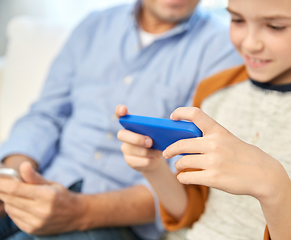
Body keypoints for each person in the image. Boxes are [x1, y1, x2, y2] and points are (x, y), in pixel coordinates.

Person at [0, 0, 243, 239]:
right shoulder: (94, 25)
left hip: (114, 217)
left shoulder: (223, 49)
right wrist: (11, 178)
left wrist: (79, 211)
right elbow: (46, 114)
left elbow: (183, 183)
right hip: (42, 181)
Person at [117, 0, 291, 239]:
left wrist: (274, 187)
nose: (250, 44)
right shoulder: (213, 90)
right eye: (237, 20)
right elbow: (192, 210)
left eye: (275, 26)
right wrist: (154, 168)